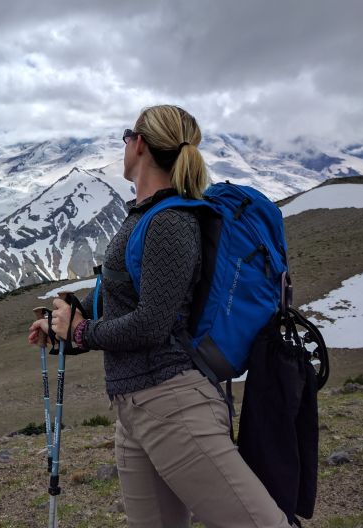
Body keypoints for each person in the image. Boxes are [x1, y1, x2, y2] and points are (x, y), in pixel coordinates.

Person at [28, 105, 290, 528]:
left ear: (141, 145)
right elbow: (122, 302)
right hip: (135, 409)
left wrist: (82, 333)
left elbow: (153, 323)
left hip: (173, 404)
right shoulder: (144, 217)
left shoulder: (171, 222)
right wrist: (65, 327)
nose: (125, 143)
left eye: (127, 135)